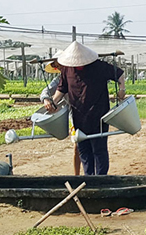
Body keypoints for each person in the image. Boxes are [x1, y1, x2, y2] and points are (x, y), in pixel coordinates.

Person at [49, 42, 125, 175]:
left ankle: (101, 179)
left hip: (99, 116)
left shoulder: (99, 66)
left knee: (99, 149)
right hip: (78, 116)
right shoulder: (67, 69)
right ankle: (88, 179)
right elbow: (61, 88)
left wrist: (122, 89)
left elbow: (119, 74)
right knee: (84, 150)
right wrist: (53, 102)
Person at [39, 59, 81, 176]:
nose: (60, 68)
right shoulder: (59, 80)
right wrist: (46, 99)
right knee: (77, 145)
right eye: (57, 67)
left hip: (88, 111)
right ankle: (76, 175)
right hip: (74, 114)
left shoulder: (79, 75)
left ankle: (93, 175)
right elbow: (45, 91)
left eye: (61, 65)